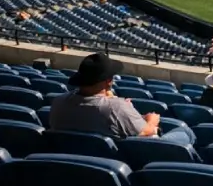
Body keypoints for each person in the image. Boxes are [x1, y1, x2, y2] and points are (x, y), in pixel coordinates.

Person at [49, 52, 195, 145]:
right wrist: (152, 120)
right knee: (185, 131)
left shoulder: (58, 102)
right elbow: (147, 131)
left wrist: (116, 102)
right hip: (120, 158)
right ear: (108, 81)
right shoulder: (116, 107)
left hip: (78, 157)